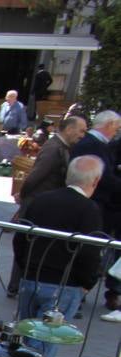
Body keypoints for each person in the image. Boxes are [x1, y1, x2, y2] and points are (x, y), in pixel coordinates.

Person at [0, 157, 106, 357]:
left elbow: (20, 237)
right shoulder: (88, 209)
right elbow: (90, 253)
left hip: (31, 281)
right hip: (62, 285)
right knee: (41, 348)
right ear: (95, 181)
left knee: (31, 343)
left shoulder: (42, 201)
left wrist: (25, 269)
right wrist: (85, 285)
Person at [8, 114, 86, 296]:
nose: (83, 134)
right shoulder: (54, 148)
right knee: (28, 242)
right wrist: (24, 194)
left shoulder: (60, 147)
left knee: (31, 243)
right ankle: (16, 286)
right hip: (37, 203)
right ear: (69, 129)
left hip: (41, 202)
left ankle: (18, 285)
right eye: (81, 130)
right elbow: (36, 176)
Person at [71, 110, 121, 315]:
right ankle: (77, 293)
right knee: (89, 249)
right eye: (116, 127)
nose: (117, 131)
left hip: (102, 205)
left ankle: (81, 293)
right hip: (94, 204)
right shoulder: (94, 145)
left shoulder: (101, 145)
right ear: (109, 125)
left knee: (94, 249)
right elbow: (103, 177)